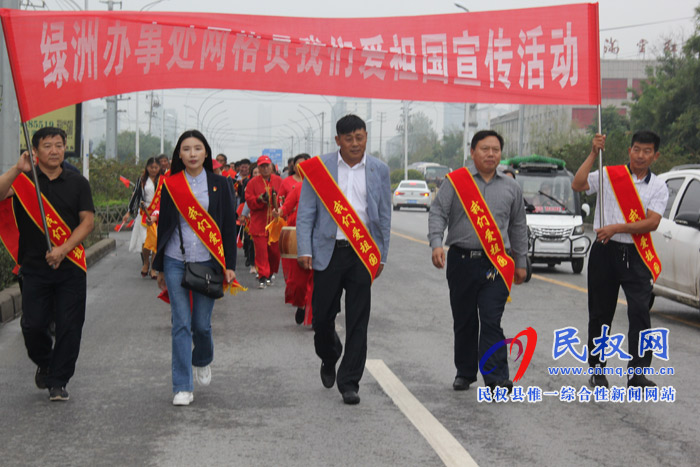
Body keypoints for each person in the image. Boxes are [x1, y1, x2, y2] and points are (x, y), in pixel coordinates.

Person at [297, 114, 391, 405]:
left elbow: (384, 215)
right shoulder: (319, 168)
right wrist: (305, 249)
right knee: (322, 316)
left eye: (359, 137)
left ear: (366, 137)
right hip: (329, 251)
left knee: (358, 319)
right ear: (337, 140)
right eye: (348, 138)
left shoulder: (379, 169)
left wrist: (382, 255)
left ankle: (350, 381)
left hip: (363, 252)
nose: (354, 144)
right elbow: (306, 213)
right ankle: (329, 353)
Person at [428, 130, 528, 393]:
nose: (491, 154)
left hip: (496, 264)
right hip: (461, 260)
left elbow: (518, 225)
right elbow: (438, 212)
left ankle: (496, 378)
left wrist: (521, 261)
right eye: (485, 149)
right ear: (473, 152)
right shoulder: (456, 182)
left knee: (491, 318)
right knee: (465, 319)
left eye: (495, 149)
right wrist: (437, 243)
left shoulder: (511, 187)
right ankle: (465, 371)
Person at [0, 126, 95, 401]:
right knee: (32, 326)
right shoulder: (24, 181)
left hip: (71, 268)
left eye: (59, 145)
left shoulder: (78, 182)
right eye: (47, 145)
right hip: (34, 268)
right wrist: (17, 169)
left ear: (65, 148)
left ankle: (58, 381)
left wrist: (64, 249)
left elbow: (87, 222)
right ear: (36, 150)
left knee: (70, 325)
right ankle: (46, 360)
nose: (54, 150)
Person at [571, 131, 668, 389]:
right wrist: (593, 153)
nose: (641, 155)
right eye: (636, 149)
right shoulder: (608, 174)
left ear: (655, 155)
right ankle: (598, 370)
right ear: (629, 151)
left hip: (636, 255)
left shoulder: (658, 186)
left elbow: (652, 222)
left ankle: (637, 373)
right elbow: (578, 184)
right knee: (601, 314)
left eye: (647, 151)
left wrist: (617, 227)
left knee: (639, 312)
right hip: (605, 251)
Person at [153, 130, 237, 406]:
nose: (192, 154)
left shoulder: (221, 184)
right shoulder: (171, 184)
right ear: (179, 154)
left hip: (208, 261)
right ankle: (182, 386)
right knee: (181, 323)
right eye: (186, 149)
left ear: (206, 153)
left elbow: (227, 228)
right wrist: (160, 267)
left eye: (197, 148)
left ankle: (202, 359)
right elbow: (164, 226)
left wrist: (230, 265)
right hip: (176, 260)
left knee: (201, 325)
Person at [278, 153, 312, 325]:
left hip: (319, 239)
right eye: (300, 164)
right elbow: (285, 207)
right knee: (299, 280)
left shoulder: (325, 188)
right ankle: (301, 304)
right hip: (298, 236)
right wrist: (279, 212)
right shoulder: (297, 188)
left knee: (317, 279)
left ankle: (315, 314)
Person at [245, 155, 282, 289]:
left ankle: (270, 272)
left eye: (267, 166)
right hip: (259, 223)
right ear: (258, 168)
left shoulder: (278, 180)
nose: (265, 168)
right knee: (261, 252)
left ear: (271, 167)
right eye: (262, 166)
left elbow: (284, 199)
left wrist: (277, 201)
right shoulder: (252, 183)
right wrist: (260, 199)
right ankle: (262, 276)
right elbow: (249, 200)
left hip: (274, 224)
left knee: (274, 252)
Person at [123, 157, 163, 279]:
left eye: (156, 167)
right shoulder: (142, 180)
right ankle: (146, 262)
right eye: (151, 167)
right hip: (144, 212)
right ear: (147, 167)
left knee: (155, 240)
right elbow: (135, 195)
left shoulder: (163, 180)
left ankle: (153, 267)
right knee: (145, 240)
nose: (154, 170)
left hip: (157, 212)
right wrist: (129, 211)